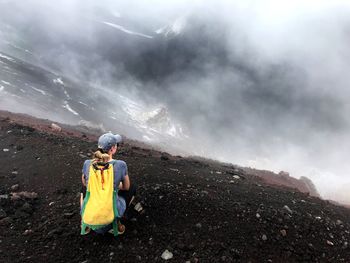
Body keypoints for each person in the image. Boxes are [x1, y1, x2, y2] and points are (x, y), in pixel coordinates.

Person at [80, 132, 136, 235]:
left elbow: (84, 183)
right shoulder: (120, 165)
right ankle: (117, 222)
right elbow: (126, 187)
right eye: (116, 145)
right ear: (113, 149)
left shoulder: (88, 163)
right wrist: (113, 186)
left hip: (90, 217)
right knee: (132, 188)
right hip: (108, 219)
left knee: (83, 188)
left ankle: (83, 220)